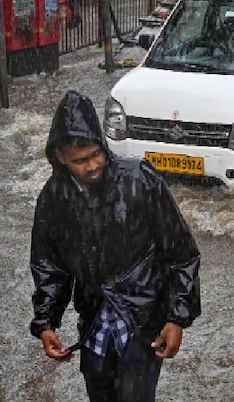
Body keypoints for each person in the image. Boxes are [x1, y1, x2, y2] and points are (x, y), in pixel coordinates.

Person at [30, 90, 202, 402]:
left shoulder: (139, 180)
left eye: (97, 154)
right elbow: (50, 267)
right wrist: (46, 323)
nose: (92, 165)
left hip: (143, 322)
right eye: (80, 161)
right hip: (94, 323)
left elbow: (182, 254)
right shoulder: (54, 198)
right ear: (60, 157)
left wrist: (177, 318)